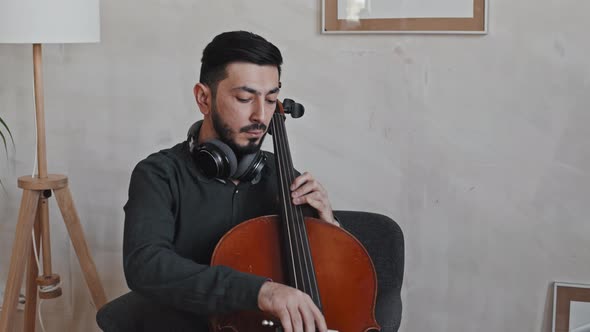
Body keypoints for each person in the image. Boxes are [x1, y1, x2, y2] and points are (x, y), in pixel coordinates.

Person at [122, 31, 339, 332]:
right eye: (244, 98)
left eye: (271, 99)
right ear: (203, 98)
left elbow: (328, 277)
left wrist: (328, 225)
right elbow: (146, 265)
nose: (261, 116)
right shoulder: (159, 174)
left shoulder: (282, 174)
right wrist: (261, 291)